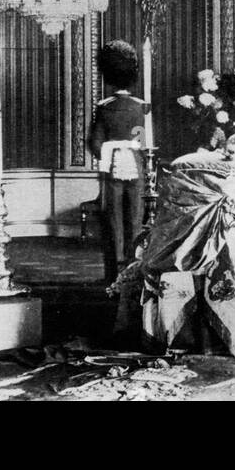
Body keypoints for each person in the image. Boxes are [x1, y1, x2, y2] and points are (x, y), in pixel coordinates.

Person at [87, 40, 147, 288]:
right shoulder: (142, 107)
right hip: (137, 168)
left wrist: (109, 150)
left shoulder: (104, 108)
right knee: (136, 220)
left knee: (113, 221)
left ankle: (113, 274)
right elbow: (144, 142)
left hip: (111, 169)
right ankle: (134, 272)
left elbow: (95, 143)